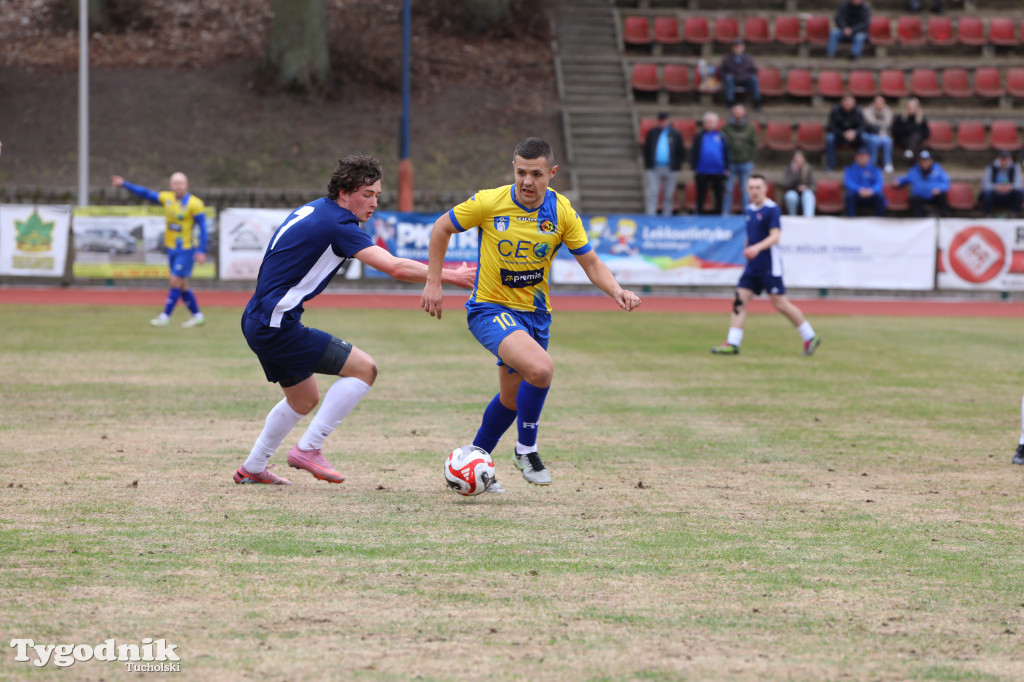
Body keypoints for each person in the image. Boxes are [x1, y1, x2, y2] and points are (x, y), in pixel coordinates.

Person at [235, 155, 476, 485]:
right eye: (367, 194)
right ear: (344, 193)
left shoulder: (317, 209)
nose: (374, 202)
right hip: (276, 325)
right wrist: (449, 275)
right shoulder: (339, 225)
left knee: (303, 399)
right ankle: (309, 448)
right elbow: (394, 267)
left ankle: (253, 467)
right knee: (365, 369)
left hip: (260, 318)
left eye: (377, 195)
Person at [420, 137, 642, 488]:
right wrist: (434, 281)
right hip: (490, 309)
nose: (527, 181)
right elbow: (441, 227)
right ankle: (526, 450)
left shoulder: (561, 211)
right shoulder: (489, 202)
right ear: (513, 169)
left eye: (536, 174)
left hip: (536, 317)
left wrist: (617, 290)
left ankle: (472, 463)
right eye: (521, 172)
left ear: (552, 173)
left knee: (511, 399)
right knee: (541, 369)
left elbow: (591, 262)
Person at [710, 174, 821, 356]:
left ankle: (810, 336)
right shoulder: (748, 210)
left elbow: (775, 236)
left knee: (781, 304)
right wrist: (748, 249)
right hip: (752, 266)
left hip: (769, 266)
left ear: (765, 189)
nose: (754, 191)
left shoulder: (772, 209)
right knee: (739, 301)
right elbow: (750, 235)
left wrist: (756, 248)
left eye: (758, 187)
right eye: (751, 187)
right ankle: (732, 343)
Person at [111, 172, 208, 327]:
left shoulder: (195, 204)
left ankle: (165, 317)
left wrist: (201, 250)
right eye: (175, 183)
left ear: (187, 185)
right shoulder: (166, 198)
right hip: (171, 248)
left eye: (181, 183)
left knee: (174, 281)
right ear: (171, 185)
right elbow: (145, 193)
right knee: (183, 286)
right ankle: (197, 316)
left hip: (186, 249)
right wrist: (124, 184)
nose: (178, 186)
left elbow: (203, 227)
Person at [642, 112, 685, 216]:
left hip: (670, 168)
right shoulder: (652, 133)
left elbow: (680, 151)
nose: (663, 123)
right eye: (661, 121)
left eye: (665, 120)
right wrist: (648, 165)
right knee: (653, 193)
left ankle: (667, 215)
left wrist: (676, 166)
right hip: (654, 168)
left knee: (669, 194)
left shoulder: (675, 134)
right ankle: (650, 215)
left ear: (668, 121)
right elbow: (646, 150)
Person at [722, 104, 759, 216]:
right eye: (735, 112)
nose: (737, 114)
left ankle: (746, 213)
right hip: (730, 163)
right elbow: (723, 145)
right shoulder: (726, 128)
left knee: (745, 190)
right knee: (728, 189)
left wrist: (751, 159)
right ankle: (725, 214)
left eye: (739, 112)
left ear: (744, 113)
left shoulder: (750, 128)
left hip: (745, 163)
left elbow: (754, 145)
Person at [691, 111, 731, 215]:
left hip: (719, 171)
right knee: (700, 195)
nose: (709, 124)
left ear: (716, 123)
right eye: (708, 121)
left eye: (712, 121)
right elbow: (694, 152)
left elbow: (727, 152)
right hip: (702, 171)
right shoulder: (699, 136)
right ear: (704, 123)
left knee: (719, 196)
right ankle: (698, 215)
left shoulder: (722, 136)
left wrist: (727, 168)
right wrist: (694, 168)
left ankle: (719, 216)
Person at [896, 150, 950, 217]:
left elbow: (946, 182)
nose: (924, 162)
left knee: (942, 196)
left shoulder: (938, 170)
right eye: (922, 160)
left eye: (926, 160)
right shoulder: (914, 170)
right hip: (920, 197)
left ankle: (945, 217)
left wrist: (939, 189)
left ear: (931, 161)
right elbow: (905, 178)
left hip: (933, 196)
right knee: (913, 199)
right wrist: (898, 181)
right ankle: (919, 219)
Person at [826, 94, 868, 172]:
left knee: (865, 137)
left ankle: (863, 165)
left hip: (854, 137)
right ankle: (830, 165)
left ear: (854, 103)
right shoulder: (835, 110)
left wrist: (855, 132)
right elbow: (831, 127)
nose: (848, 104)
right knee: (830, 138)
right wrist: (843, 133)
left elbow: (863, 126)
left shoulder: (858, 111)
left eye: (850, 102)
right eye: (846, 102)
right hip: (839, 136)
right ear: (842, 102)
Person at [717, 39, 762, 110]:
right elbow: (722, 71)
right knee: (729, 78)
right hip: (733, 80)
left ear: (743, 48)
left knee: (753, 79)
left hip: (746, 80)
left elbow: (753, 71)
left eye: (739, 46)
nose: (737, 48)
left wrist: (746, 76)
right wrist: (728, 76)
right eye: (735, 46)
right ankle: (730, 102)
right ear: (732, 48)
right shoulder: (726, 58)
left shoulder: (749, 58)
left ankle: (756, 102)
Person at [843, 147, 887, 216]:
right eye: (860, 156)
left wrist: (872, 190)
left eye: (864, 156)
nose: (862, 158)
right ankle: (850, 219)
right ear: (855, 158)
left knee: (880, 196)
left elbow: (879, 183)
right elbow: (848, 182)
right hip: (857, 194)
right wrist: (859, 189)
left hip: (871, 194)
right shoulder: (849, 168)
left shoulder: (875, 168)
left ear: (868, 158)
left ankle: (879, 219)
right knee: (849, 195)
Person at [979, 151, 1023, 218]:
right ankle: (988, 215)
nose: (1004, 161)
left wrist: (1010, 187)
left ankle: (1015, 214)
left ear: (1010, 159)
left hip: (1009, 194)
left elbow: (1018, 184)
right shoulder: (991, 167)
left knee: (1020, 192)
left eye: (1006, 159)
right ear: (998, 159)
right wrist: (996, 187)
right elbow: (986, 185)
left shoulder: (1015, 167)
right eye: (1002, 159)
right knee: (986, 193)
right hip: (995, 194)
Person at [863, 95, 895, 173]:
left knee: (888, 141)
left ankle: (887, 163)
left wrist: (881, 116)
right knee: (874, 140)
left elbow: (888, 124)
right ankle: (872, 163)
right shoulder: (867, 111)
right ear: (873, 103)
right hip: (872, 133)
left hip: (884, 134)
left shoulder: (888, 111)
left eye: (881, 103)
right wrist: (880, 121)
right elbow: (871, 122)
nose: (879, 105)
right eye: (877, 103)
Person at [781, 150, 817, 217]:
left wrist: (806, 187)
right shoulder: (789, 169)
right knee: (790, 196)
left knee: (808, 194)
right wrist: (794, 173)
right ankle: (793, 217)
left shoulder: (808, 168)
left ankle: (808, 218)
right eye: (796, 158)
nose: (798, 160)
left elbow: (814, 186)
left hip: (805, 193)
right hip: (793, 192)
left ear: (804, 159)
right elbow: (786, 184)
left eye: (800, 158)